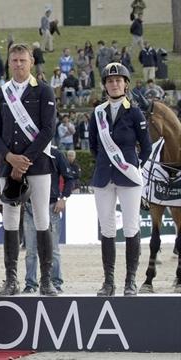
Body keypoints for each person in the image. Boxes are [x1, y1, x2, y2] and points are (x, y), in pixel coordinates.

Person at [0, 43, 58, 296]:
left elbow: (48, 131)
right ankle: (11, 280)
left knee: (42, 219)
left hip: (38, 165)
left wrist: (24, 160)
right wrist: (9, 158)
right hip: (8, 165)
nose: (18, 64)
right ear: (9, 63)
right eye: (14, 60)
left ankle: (46, 280)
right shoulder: (0, 94)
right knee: (9, 222)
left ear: (31, 62)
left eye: (22, 60)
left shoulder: (44, 92)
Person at [90, 62, 151, 297]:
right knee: (106, 229)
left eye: (118, 80)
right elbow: (94, 145)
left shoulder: (135, 112)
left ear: (126, 84)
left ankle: (130, 281)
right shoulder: (98, 112)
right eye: (110, 80)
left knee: (131, 227)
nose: (114, 84)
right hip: (104, 177)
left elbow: (146, 148)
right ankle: (108, 282)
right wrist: (107, 163)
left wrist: (135, 168)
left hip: (129, 177)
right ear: (105, 85)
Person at [22, 146, 74, 294]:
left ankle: (55, 282)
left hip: (51, 206)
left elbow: (70, 178)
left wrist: (63, 198)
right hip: (29, 206)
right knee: (31, 250)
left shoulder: (56, 154)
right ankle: (31, 283)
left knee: (53, 249)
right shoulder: (26, 152)